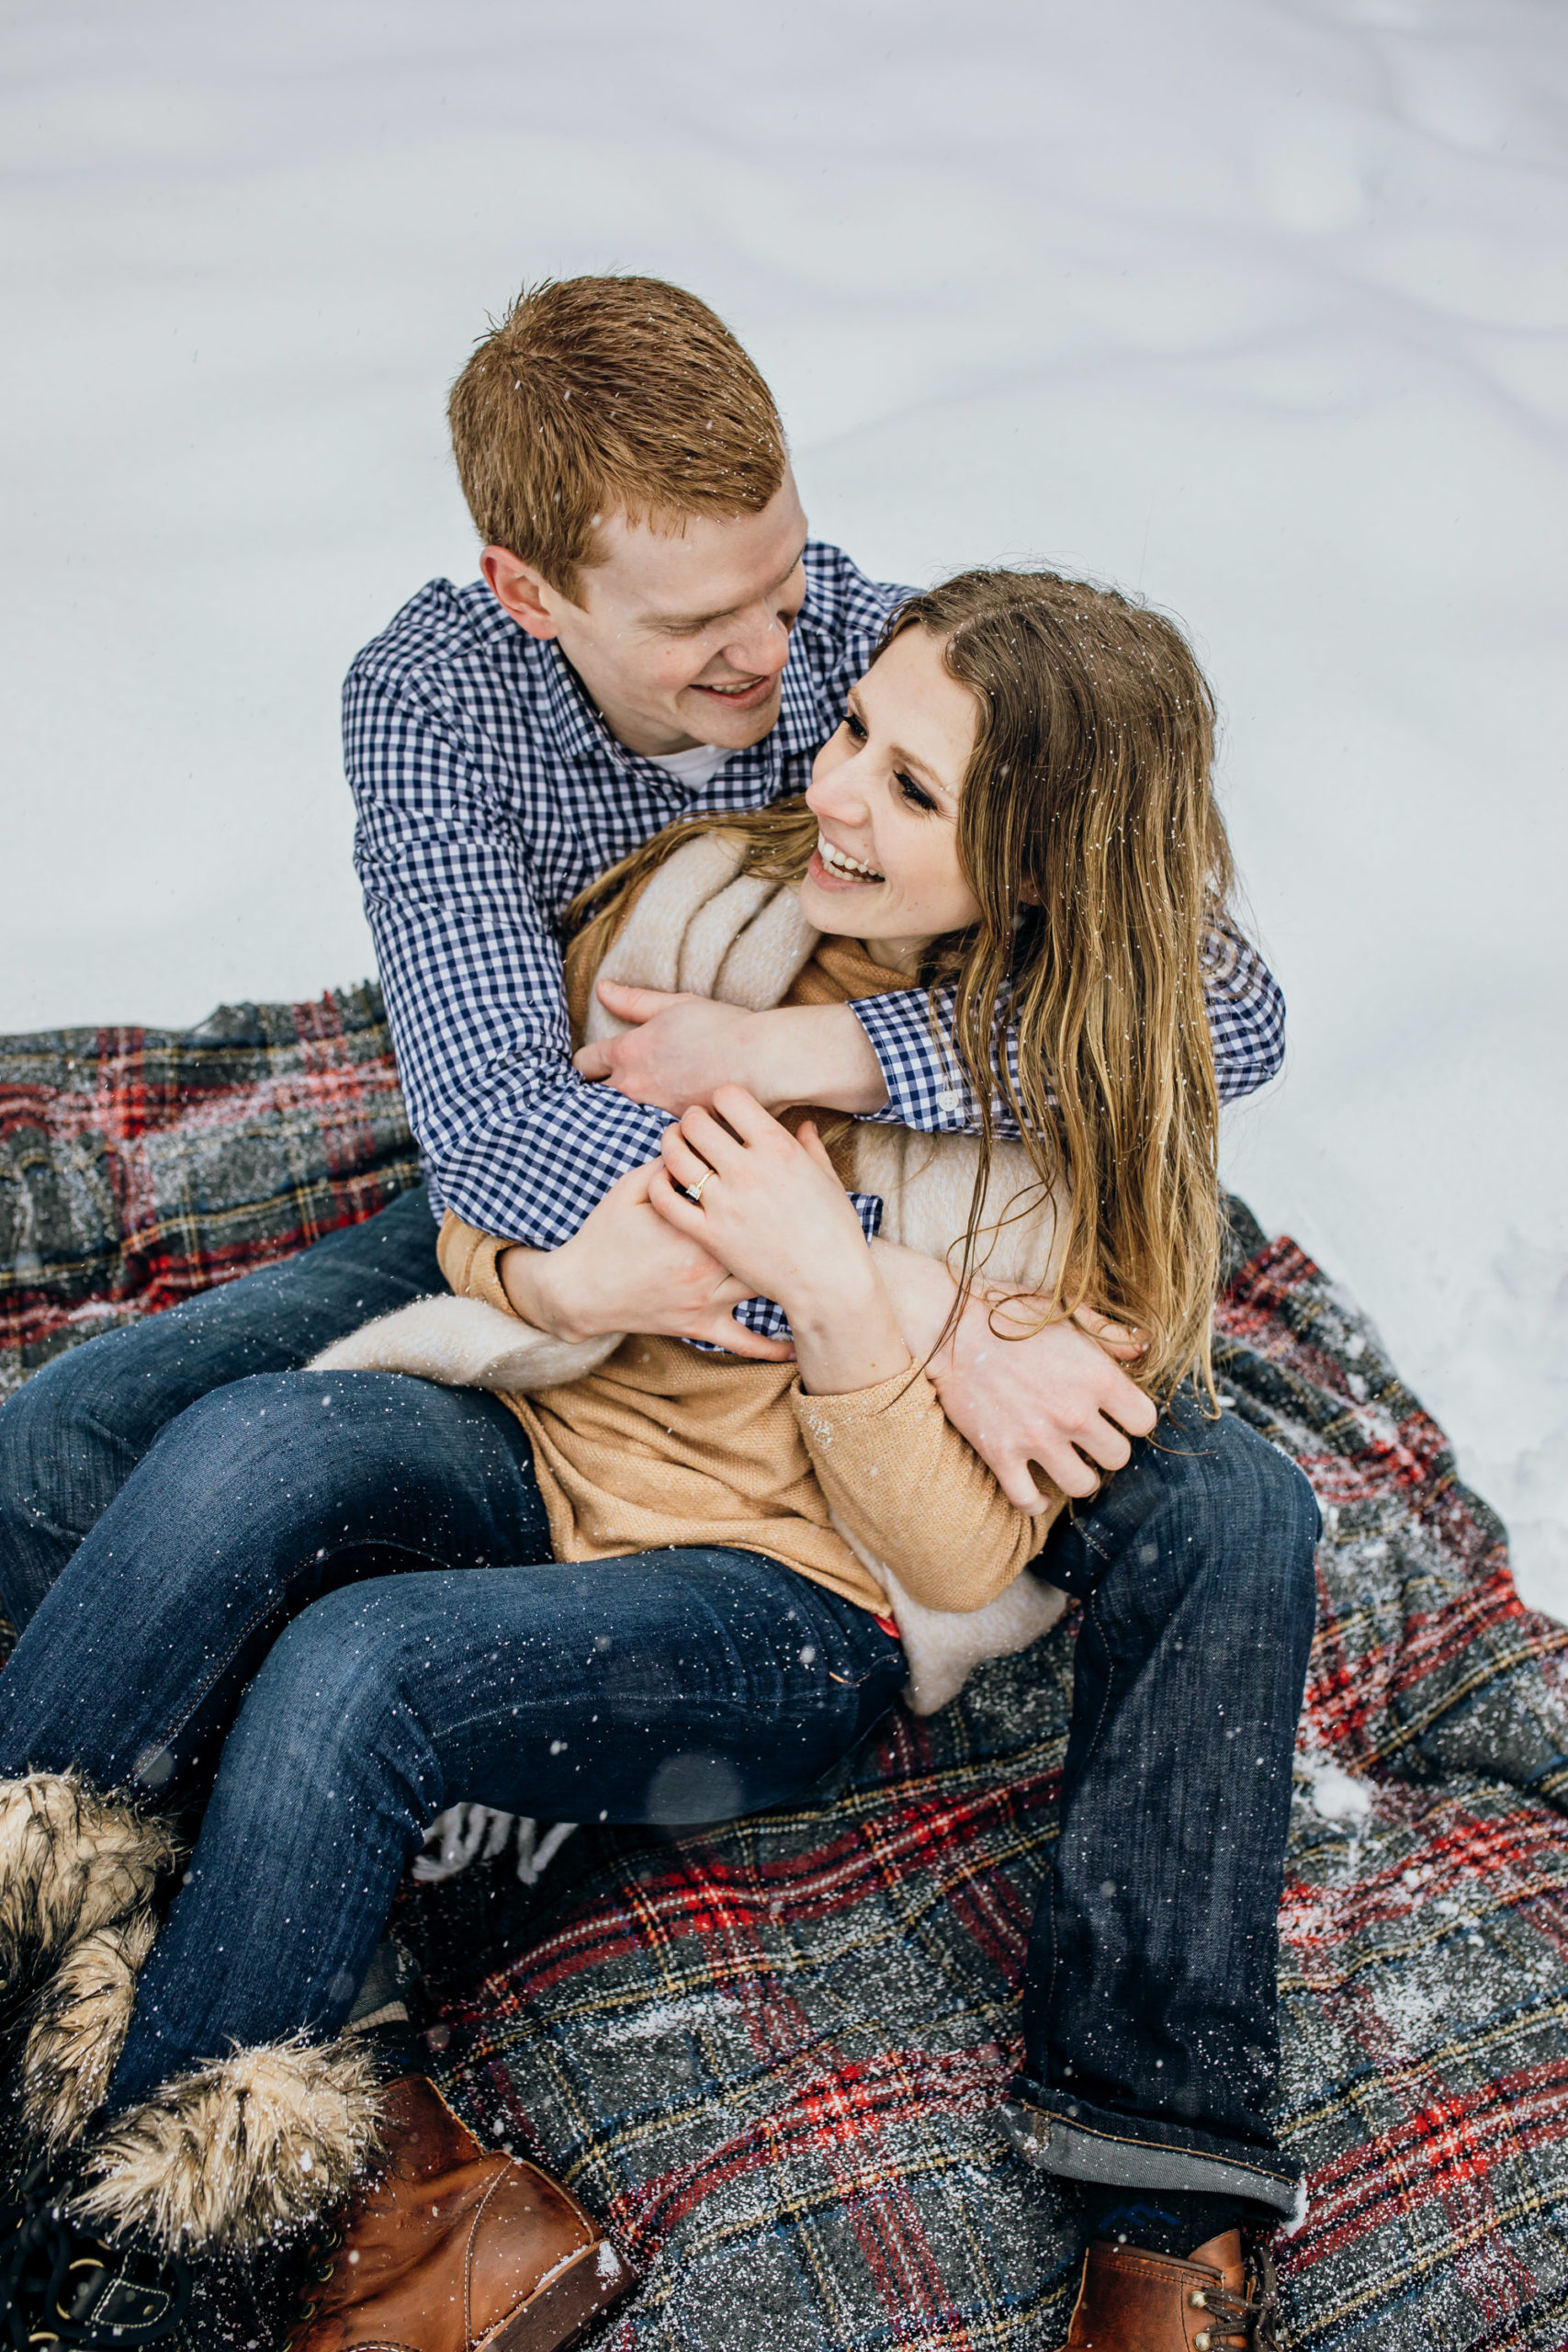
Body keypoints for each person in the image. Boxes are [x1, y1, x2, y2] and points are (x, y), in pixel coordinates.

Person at [0, 569, 1314, 2352]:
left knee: (359, 1668)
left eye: (910, 788)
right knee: (251, 1437)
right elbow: (496, 1204)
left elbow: (947, 1562)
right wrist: (573, 1271)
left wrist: (850, 1296)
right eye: (854, 728)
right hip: (550, 1436)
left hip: (782, 1599)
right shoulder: (710, 899)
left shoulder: (1076, 1149)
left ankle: (145, 2260)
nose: (832, 784)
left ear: (1027, 866)